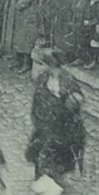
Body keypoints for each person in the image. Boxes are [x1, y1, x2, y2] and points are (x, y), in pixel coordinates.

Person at [25, 49, 86, 182]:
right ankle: (42, 176)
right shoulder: (43, 78)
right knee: (41, 148)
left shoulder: (67, 79)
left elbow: (77, 99)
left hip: (61, 124)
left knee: (57, 151)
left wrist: (72, 101)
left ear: (51, 64)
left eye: (43, 64)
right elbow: (36, 99)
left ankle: (54, 177)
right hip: (44, 122)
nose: (41, 67)